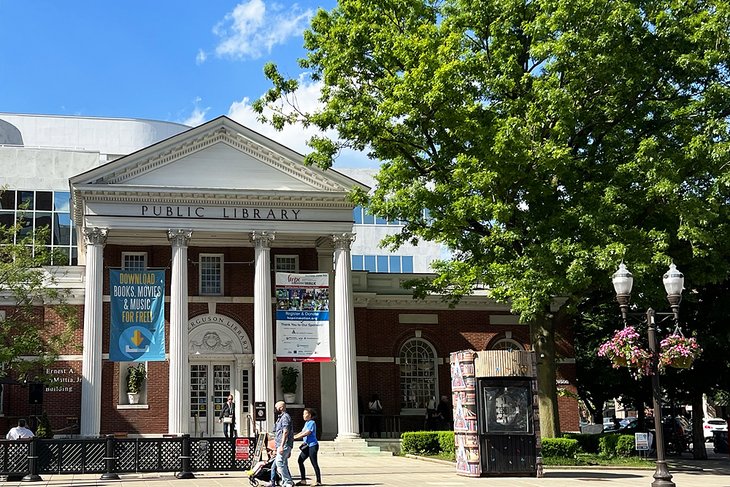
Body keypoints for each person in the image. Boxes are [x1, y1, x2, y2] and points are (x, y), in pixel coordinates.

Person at [293, 408, 321, 486]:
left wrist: (295, 437)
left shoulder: (312, 422)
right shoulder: (306, 423)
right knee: (300, 460)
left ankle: (318, 481)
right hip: (306, 446)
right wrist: (294, 436)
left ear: (309, 415)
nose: (303, 415)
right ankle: (303, 480)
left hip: (312, 445)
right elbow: (302, 432)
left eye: (305, 414)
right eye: (303, 414)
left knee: (314, 463)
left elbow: (307, 433)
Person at [270, 400, 294, 487]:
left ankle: (288, 481)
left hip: (283, 444)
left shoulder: (285, 417)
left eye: (276, 407)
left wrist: (282, 446)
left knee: (280, 462)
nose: (275, 409)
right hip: (280, 444)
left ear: (281, 408)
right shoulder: (280, 418)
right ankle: (285, 481)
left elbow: (285, 432)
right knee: (282, 463)